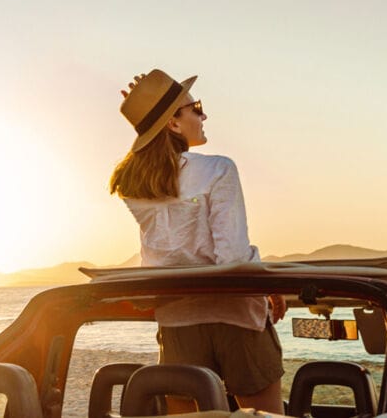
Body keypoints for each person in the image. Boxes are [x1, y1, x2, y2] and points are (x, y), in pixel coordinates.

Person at [112, 69, 286, 413]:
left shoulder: (134, 188)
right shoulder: (219, 169)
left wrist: (147, 100)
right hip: (237, 320)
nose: (203, 115)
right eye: (195, 108)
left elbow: (171, 256)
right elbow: (232, 258)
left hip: (178, 323)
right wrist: (268, 283)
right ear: (173, 125)